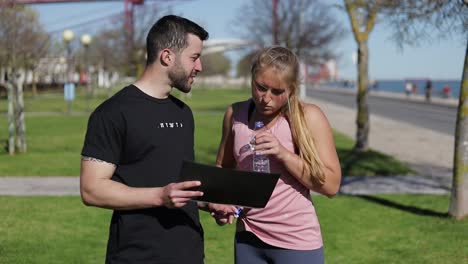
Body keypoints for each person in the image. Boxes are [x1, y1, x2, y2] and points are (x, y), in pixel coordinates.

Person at [80, 15, 234, 264]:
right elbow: (91, 189)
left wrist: (208, 203)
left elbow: (176, 184)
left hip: (190, 254)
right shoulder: (112, 113)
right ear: (167, 56)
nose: (200, 67)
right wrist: (160, 196)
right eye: (194, 57)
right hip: (136, 256)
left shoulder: (183, 113)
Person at [215, 46, 342, 264]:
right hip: (248, 239)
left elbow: (331, 186)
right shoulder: (235, 114)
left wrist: (283, 154)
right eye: (260, 87)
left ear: (292, 90)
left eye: (277, 92)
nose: (266, 98)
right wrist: (220, 203)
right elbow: (222, 171)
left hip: (297, 243)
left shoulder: (308, 117)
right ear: (252, 78)